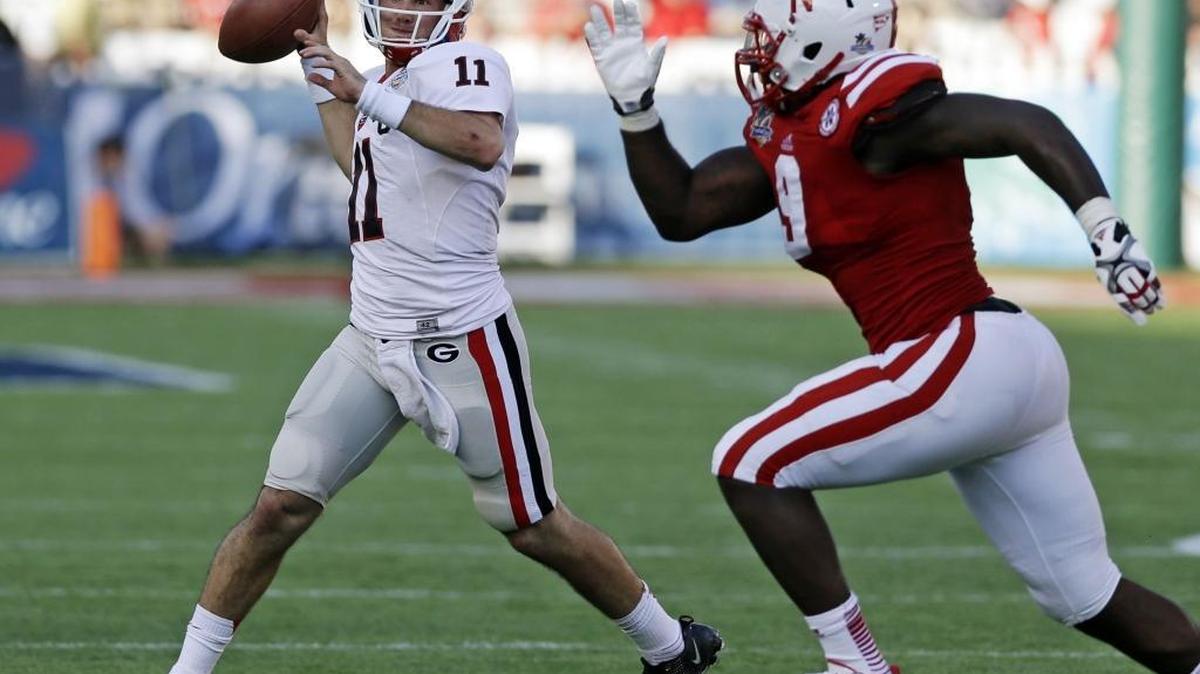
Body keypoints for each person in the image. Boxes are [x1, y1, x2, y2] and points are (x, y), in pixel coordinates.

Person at [584, 1, 1200, 673]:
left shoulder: (880, 113)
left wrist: (1105, 228)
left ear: (827, 36)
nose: (757, 48)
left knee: (751, 459)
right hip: (996, 361)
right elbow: (684, 209)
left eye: (772, 35)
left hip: (960, 352)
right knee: (1083, 594)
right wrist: (636, 111)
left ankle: (855, 663)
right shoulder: (797, 130)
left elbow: (1027, 123)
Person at [165, 2, 724, 673]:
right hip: (371, 337)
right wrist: (321, 73)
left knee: (534, 525)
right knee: (278, 507)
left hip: (461, 340)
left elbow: (479, 140)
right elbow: (361, 170)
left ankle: (669, 647)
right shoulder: (384, 80)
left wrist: (364, 90)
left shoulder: (468, 65)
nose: (403, 6)